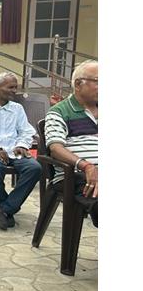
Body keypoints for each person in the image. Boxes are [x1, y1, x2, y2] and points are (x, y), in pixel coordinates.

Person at [0, 72, 42, 229]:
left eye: (15, 87)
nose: (14, 91)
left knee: (35, 168)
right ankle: (4, 209)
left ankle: (5, 210)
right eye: (10, 87)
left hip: (15, 150)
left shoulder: (17, 108)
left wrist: (22, 145)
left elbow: (26, 131)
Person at [44, 60, 98, 226]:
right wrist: (86, 166)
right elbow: (55, 148)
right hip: (75, 174)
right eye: (98, 81)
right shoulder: (60, 111)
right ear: (78, 84)